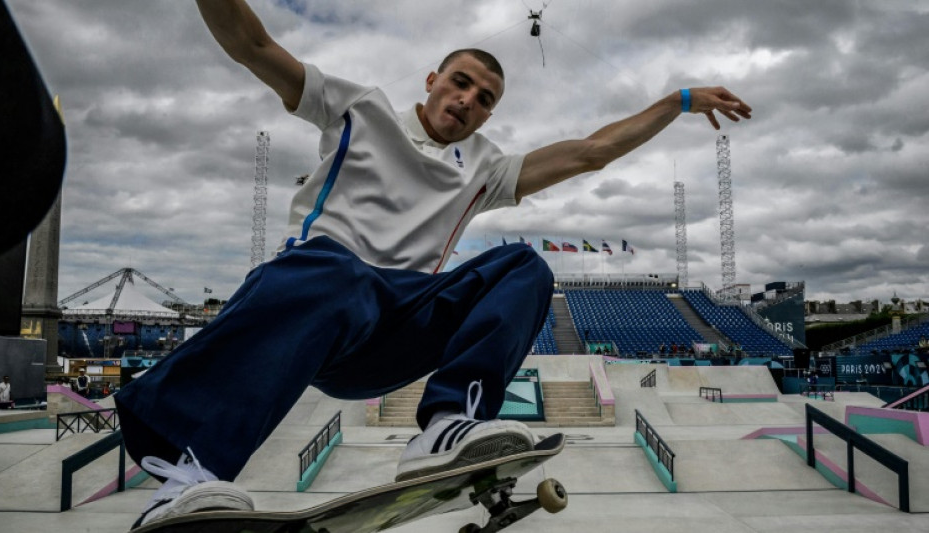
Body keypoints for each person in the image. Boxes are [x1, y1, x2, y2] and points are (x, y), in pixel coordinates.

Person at [115, 0, 751, 528]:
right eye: (461, 82)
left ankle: (447, 425)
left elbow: (590, 153)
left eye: (485, 98)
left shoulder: (485, 168)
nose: (469, 100)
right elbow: (252, 44)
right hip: (311, 302)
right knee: (337, 270)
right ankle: (187, 477)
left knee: (524, 266)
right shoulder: (356, 109)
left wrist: (679, 100)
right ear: (432, 81)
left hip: (395, 331)